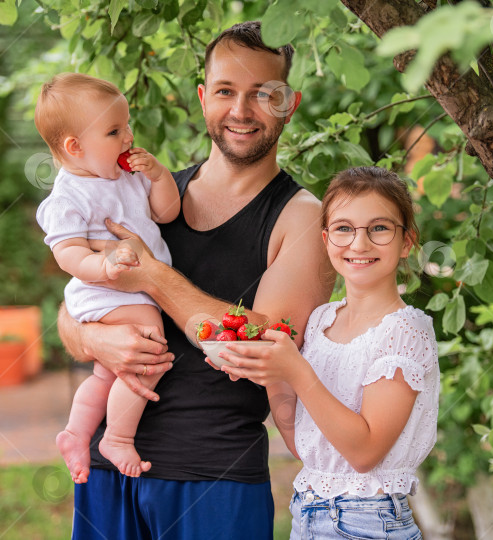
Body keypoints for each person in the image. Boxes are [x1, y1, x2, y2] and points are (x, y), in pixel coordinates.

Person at [57, 22, 335, 540]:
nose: (241, 110)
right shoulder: (147, 193)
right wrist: (96, 338)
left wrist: (155, 277)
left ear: (290, 103)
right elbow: (73, 309)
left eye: (263, 94)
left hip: (213, 480)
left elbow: (266, 346)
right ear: (204, 98)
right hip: (105, 467)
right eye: (226, 91)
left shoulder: (301, 220)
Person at [219, 167, 440, 539]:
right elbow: (304, 443)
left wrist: (297, 371)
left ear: (407, 242)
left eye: (379, 228)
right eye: (343, 228)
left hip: (369, 522)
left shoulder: (405, 331)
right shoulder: (322, 319)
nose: (359, 244)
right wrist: (268, 370)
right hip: (308, 511)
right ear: (325, 239)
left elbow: (365, 453)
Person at [34, 73, 181, 483]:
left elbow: (167, 213)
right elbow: (69, 254)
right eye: (114, 131)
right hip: (103, 291)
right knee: (149, 345)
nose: (128, 136)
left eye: (127, 125)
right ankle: (117, 436)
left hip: (128, 288)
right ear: (74, 147)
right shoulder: (68, 198)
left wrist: (158, 176)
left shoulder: (129, 176)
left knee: (106, 373)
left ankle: (76, 433)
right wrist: (104, 266)